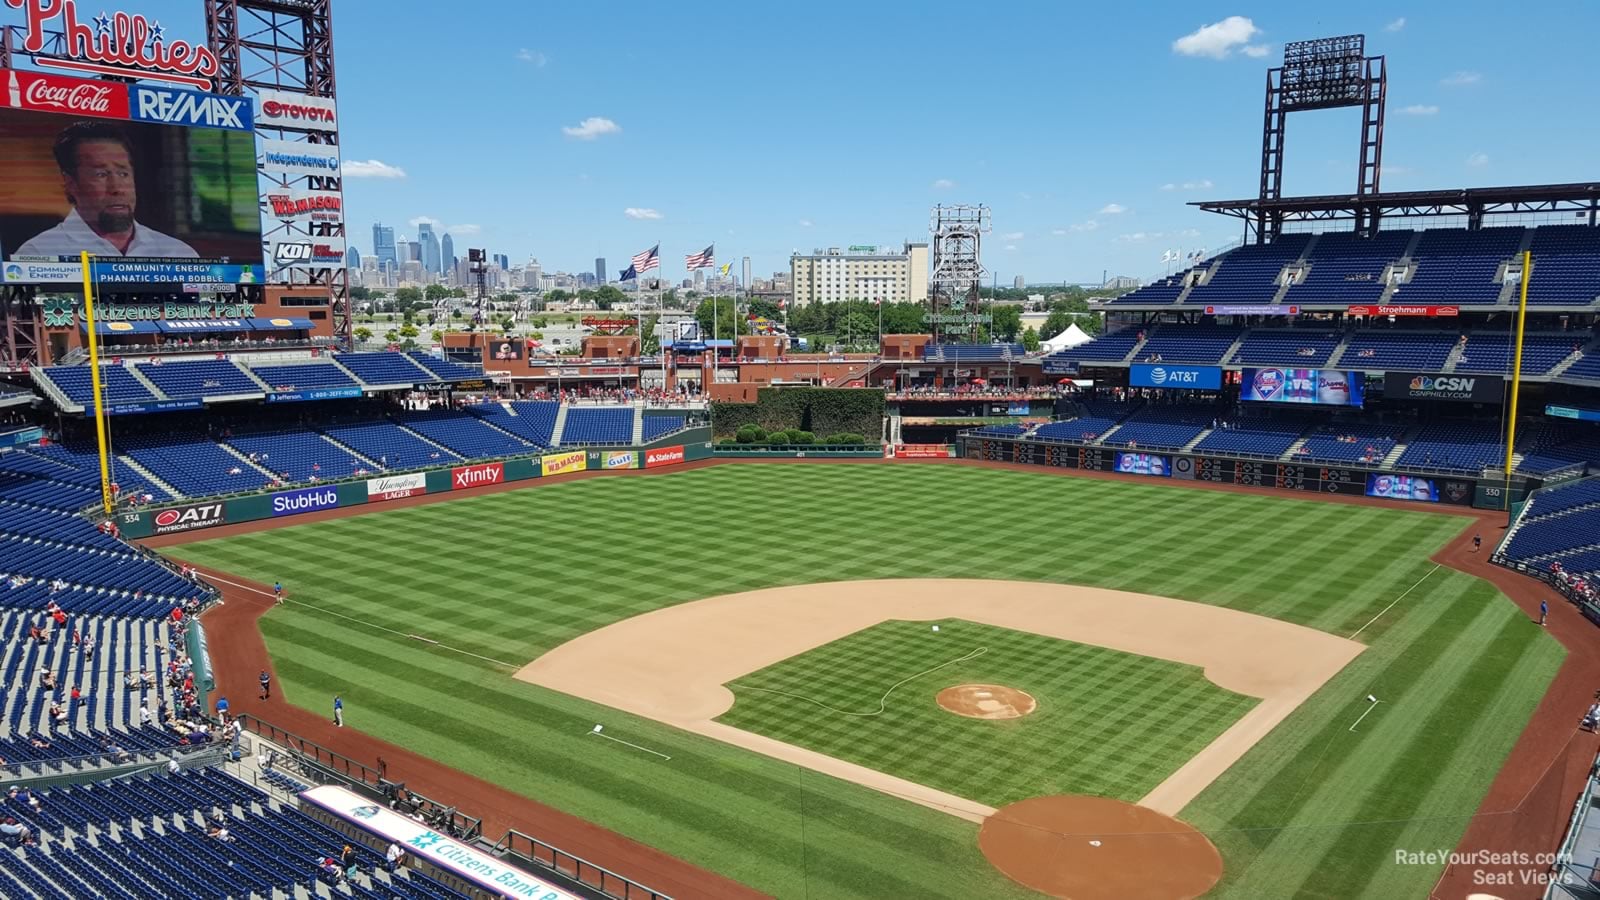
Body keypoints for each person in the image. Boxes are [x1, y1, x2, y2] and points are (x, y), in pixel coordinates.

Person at [15, 121, 198, 258]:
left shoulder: (177, 252)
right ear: (71, 183)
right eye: (101, 174)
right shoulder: (39, 253)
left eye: (123, 174)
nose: (117, 188)